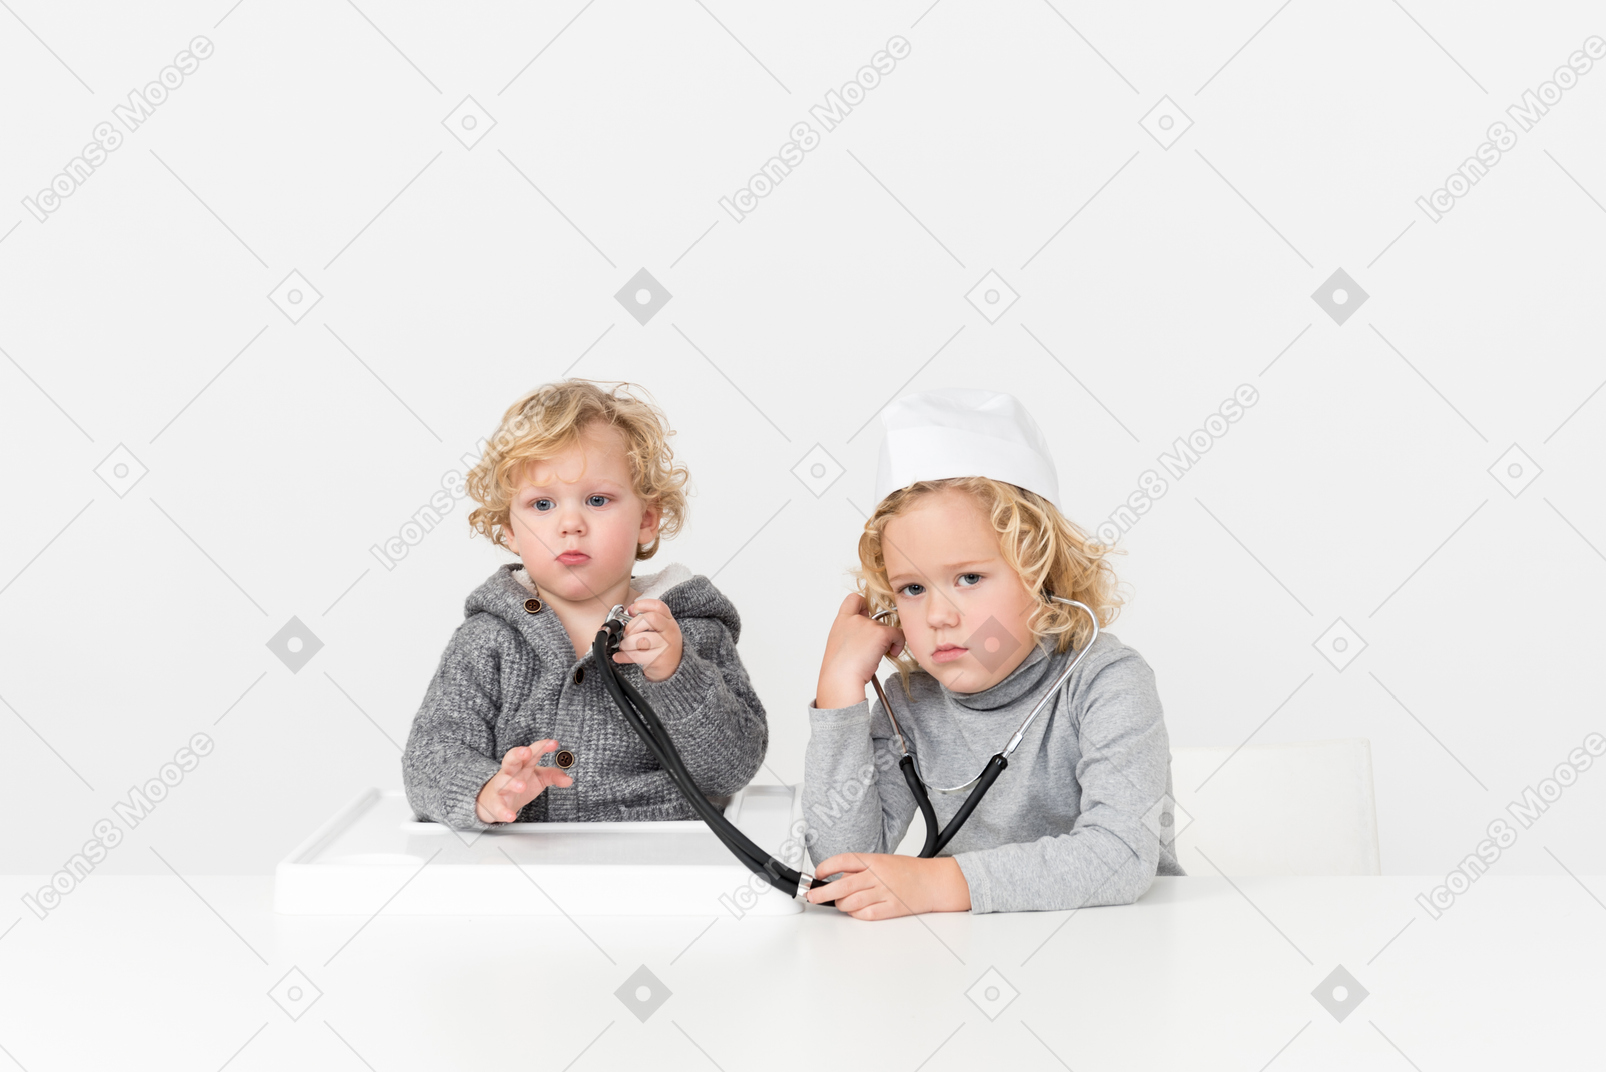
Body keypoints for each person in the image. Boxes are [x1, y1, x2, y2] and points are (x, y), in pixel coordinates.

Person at [803, 388, 1184, 917]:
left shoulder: (1107, 682)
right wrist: (840, 691)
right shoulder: (909, 704)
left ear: (1042, 571)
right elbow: (843, 868)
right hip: (972, 959)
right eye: (912, 588)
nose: (939, 615)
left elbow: (1121, 854)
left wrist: (935, 885)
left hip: (1116, 953)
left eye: (969, 578)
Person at [401, 380, 768, 829]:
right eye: (542, 504)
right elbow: (429, 756)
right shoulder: (487, 641)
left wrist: (677, 676)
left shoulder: (687, 632)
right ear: (510, 531)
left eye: (598, 500)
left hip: (661, 866)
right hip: (518, 866)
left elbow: (732, 767)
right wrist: (485, 791)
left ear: (647, 520)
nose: (570, 523)